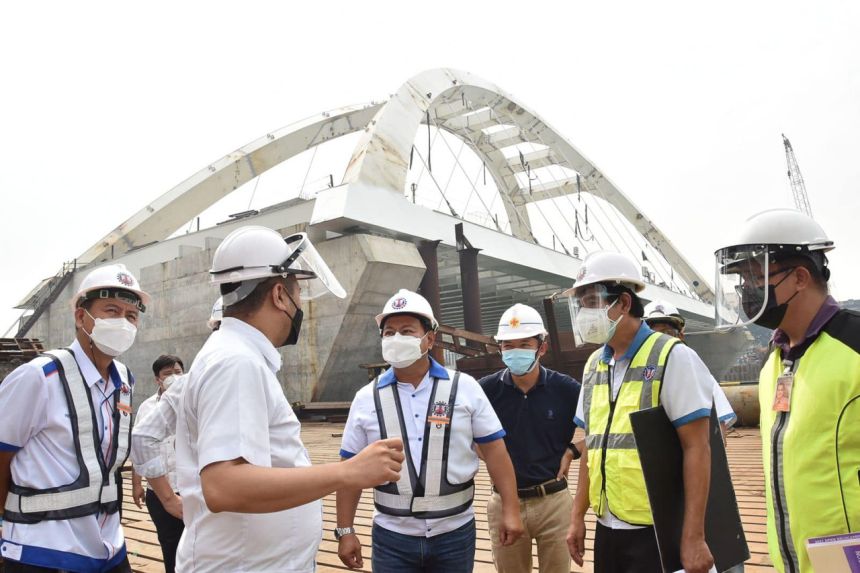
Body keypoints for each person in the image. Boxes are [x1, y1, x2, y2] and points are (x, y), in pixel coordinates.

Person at [171, 225, 404, 573]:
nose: (299, 306)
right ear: (280, 295)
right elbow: (224, 486)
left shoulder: (237, 356)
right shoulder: (236, 361)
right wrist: (347, 471)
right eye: (298, 292)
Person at [336, 289, 523, 572]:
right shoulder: (365, 398)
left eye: (407, 331)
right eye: (389, 332)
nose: (396, 338)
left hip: (455, 533)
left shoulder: (465, 388)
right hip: (391, 536)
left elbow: (496, 453)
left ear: (429, 339)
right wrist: (345, 531)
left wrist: (511, 510)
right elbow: (347, 471)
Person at [714, 208, 859, 573]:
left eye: (756, 277)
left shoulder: (855, 344)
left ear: (799, 277)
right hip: (790, 559)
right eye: (742, 279)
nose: (747, 290)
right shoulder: (772, 363)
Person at [564, 251, 715, 573]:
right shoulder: (594, 364)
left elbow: (697, 447)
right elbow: (593, 446)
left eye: (592, 301)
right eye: (581, 304)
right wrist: (577, 517)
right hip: (608, 524)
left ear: (623, 303)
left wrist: (693, 536)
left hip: (656, 527)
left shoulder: (672, 356)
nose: (584, 313)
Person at [0, 264, 148, 572]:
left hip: (109, 547)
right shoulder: (38, 378)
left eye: (131, 316)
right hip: (42, 549)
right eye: (111, 310)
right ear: (82, 317)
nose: (123, 322)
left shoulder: (124, 380)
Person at [478, 303, 581, 573]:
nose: (516, 352)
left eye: (525, 344)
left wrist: (572, 450)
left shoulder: (566, 389)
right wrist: (485, 454)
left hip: (554, 501)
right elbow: (465, 434)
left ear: (542, 347)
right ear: (500, 349)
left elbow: (603, 429)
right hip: (503, 501)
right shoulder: (486, 391)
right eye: (508, 346)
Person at [643, 300, 738, 435]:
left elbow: (719, 426)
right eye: (652, 334)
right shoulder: (634, 372)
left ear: (680, 335)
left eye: (666, 333)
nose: (660, 340)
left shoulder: (696, 371)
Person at [130, 355, 185, 573]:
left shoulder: (192, 401)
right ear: (157, 379)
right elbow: (139, 447)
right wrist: (136, 485)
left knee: (198, 544)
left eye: (178, 372)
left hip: (191, 488)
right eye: (168, 374)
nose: (174, 377)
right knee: (169, 543)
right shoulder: (147, 407)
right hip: (160, 490)